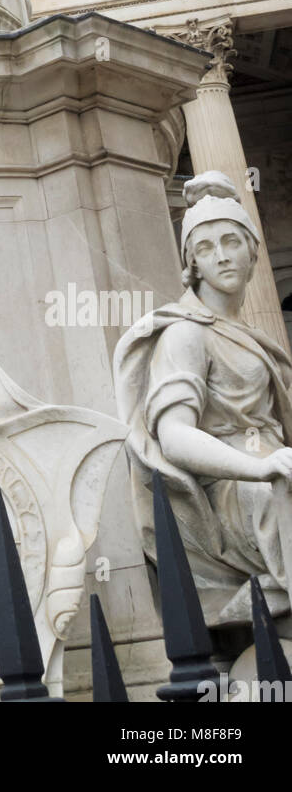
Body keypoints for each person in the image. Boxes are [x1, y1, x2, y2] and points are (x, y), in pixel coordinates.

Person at [114, 171, 292, 625]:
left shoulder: (251, 335)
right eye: (206, 248)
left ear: (253, 252)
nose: (222, 257)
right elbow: (173, 437)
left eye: (231, 241)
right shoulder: (186, 333)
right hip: (236, 484)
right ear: (191, 262)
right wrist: (260, 467)